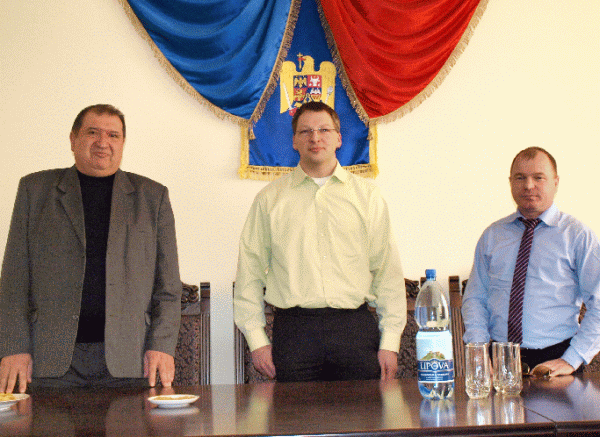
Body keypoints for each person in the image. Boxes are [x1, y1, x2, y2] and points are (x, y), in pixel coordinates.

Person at [0, 104, 182, 393]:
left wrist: (161, 345)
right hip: (49, 359)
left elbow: (168, 287)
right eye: (93, 132)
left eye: (113, 135)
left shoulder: (152, 197)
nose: (102, 142)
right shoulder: (35, 191)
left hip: (130, 359)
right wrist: (14, 347)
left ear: (122, 143)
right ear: (73, 139)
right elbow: (13, 281)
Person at [234, 101, 406, 382]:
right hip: (294, 333)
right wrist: (257, 340)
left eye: (324, 130)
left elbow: (387, 271)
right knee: (293, 412)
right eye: (306, 131)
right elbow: (249, 272)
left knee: (364, 411)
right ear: (294, 141)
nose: (315, 138)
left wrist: (390, 342)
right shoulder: (270, 200)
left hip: (354, 330)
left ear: (339, 138)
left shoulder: (367, 197)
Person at [462, 147, 600, 376]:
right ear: (510, 182)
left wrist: (572, 359)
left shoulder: (577, 236)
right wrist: (479, 350)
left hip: (556, 362)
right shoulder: (492, 236)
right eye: (520, 178)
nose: (528, 185)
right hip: (498, 361)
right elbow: (475, 298)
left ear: (555, 182)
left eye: (538, 177)